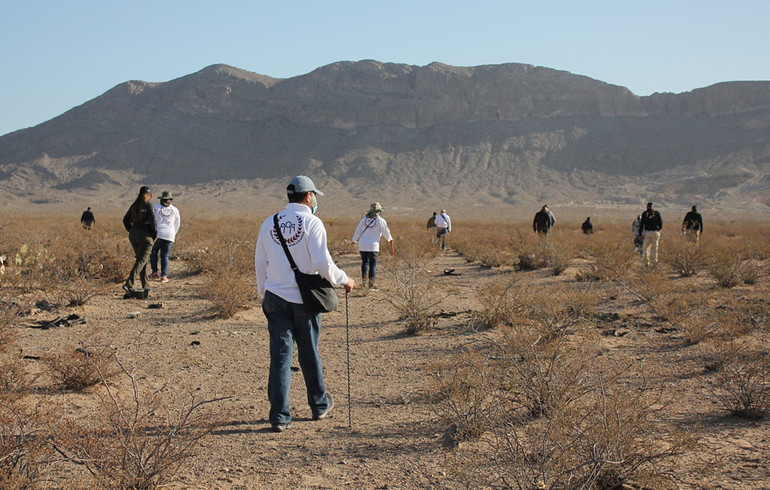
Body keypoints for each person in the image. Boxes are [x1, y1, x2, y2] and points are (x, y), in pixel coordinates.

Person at [255, 176, 355, 433]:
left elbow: (260, 261)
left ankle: (279, 416)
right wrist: (344, 280)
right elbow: (322, 264)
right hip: (304, 300)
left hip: (275, 298)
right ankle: (319, 406)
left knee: (280, 357)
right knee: (309, 353)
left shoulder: (269, 222)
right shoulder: (312, 222)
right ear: (309, 196)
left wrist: (263, 291)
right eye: (315, 196)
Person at [122, 186, 157, 293]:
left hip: (133, 235)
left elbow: (125, 220)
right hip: (145, 236)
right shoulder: (148, 205)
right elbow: (153, 221)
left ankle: (145, 284)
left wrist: (132, 230)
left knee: (141, 259)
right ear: (149, 195)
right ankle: (129, 283)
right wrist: (154, 235)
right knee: (142, 260)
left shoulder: (134, 205)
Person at [352, 202, 393, 291]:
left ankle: (364, 283)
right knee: (372, 265)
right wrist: (390, 239)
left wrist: (354, 240)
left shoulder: (364, 219)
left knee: (365, 263)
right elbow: (386, 232)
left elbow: (358, 230)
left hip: (362, 245)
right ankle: (371, 285)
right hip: (373, 246)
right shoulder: (380, 221)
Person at [150, 191, 181, 283]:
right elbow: (177, 224)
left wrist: (154, 231)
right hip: (170, 234)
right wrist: (173, 233)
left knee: (153, 252)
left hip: (159, 233)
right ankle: (164, 276)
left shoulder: (156, 207)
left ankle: (155, 271)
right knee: (165, 255)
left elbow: (152, 219)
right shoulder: (175, 210)